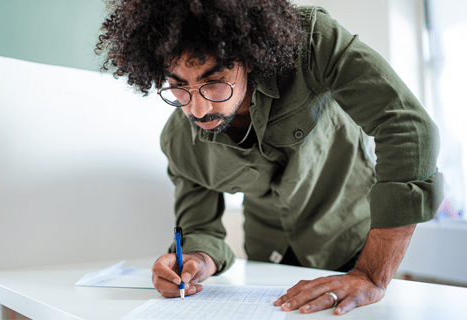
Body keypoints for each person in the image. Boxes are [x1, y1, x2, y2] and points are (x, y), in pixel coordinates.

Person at [96, 0, 443, 315]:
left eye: (214, 81)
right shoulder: (179, 142)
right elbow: (201, 229)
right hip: (269, 259)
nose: (198, 110)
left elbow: (408, 127)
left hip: (355, 247)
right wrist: (195, 261)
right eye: (178, 86)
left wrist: (370, 274)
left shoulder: (309, 41)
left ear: (248, 58)